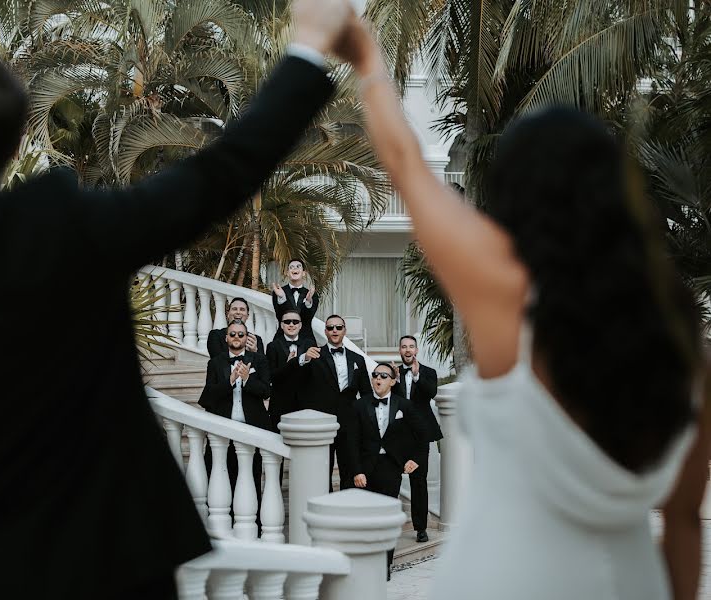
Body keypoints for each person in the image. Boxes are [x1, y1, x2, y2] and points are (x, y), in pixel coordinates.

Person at [0, 1, 355, 596]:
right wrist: (305, 48)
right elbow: (218, 176)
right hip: (127, 574)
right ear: (19, 141)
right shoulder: (69, 225)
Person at [336, 12, 709, 600]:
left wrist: (366, 60)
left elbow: (407, 166)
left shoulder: (507, 299)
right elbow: (683, 522)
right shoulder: (678, 323)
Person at [351, 362, 422, 580]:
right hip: (366, 468)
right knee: (366, 520)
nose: (378, 379)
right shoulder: (360, 405)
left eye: (383, 375)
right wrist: (357, 470)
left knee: (387, 518)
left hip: (390, 467)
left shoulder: (404, 405)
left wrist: (414, 459)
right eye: (375, 375)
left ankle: (384, 565)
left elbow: (421, 434)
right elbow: (351, 441)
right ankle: (366, 562)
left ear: (392, 381)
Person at [199, 319, 272, 522]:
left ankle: (254, 524)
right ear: (226, 337)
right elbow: (207, 398)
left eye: (241, 334)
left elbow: (266, 392)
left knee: (252, 477)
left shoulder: (259, 360)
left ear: (246, 337)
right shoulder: (215, 363)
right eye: (233, 334)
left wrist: (248, 379)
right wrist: (229, 381)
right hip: (224, 431)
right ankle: (226, 522)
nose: (237, 338)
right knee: (224, 476)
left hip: (252, 431)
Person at [294, 314, 371, 490]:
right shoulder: (314, 355)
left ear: (345, 330)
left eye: (338, 327)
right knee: (322, 470)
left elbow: (366, 393)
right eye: (330, 328)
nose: (334, 331)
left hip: (349, 422)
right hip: (323, 422)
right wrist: (303, 359)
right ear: (325, 331)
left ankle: (345, 509)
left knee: (349, 468)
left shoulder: (357, 359)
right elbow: (298, 384)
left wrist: (363, 419)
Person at [396, 335, 441, 542]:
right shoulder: (391, 373)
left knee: (419, 482)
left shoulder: (428, 372)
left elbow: (431, 393)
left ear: (416, 350)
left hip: (420, 436)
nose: (407, 350)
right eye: (404, 346)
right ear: (399, 350)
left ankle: (420, 528)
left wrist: (416, 376)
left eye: (411, 347)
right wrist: (392, 381)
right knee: (391, 480)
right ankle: (388, 525)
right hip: (396, 436)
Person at [266, 309, 313, 430]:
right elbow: (272, 377)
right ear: (281, 325)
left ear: (300, 325)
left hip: (305, 403)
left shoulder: (310, 344)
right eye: (287, 322)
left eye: (295, 322)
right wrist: (289, 365)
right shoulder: (273, 346)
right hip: (280, 404)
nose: (291, 324)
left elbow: (314, 373)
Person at [271, 259, 319, 345]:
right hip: (282, 340)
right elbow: (279, 315)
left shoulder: (311, 295)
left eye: (298, 266)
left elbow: (308, 318)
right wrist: (282, 298)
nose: (295, 269)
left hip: (306, 339)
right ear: (287, 273)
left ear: (304, 273)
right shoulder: (279, 292)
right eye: (291, 267)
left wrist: (308, 302)